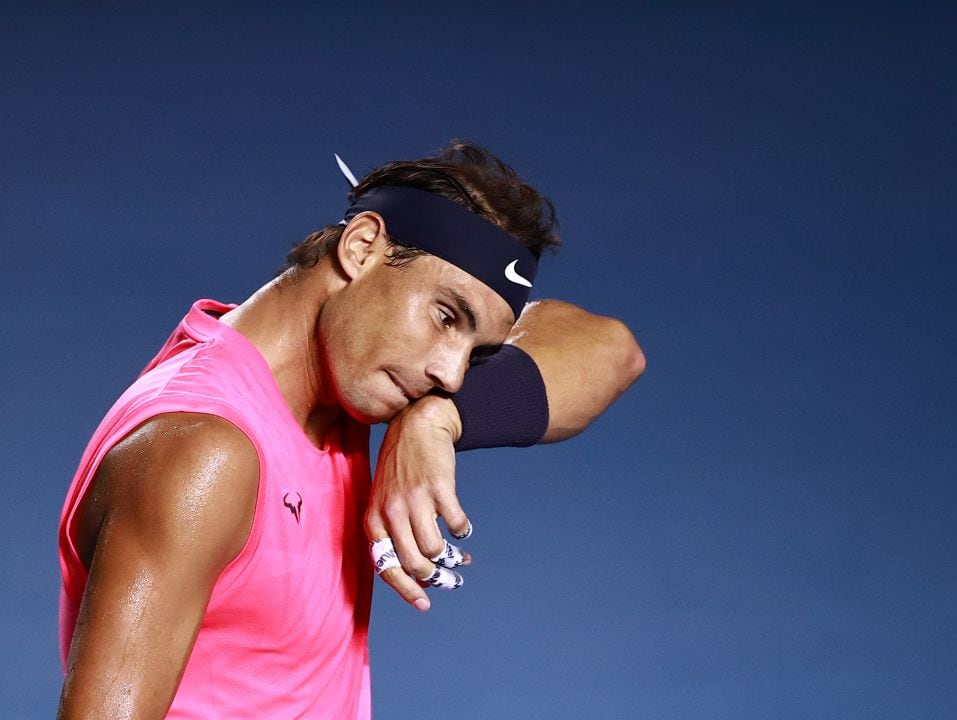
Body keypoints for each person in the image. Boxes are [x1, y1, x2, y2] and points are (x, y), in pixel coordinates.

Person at [55, 141, 644, 719]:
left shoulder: (338, 392)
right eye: (446, 316)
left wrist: (439, 419)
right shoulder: (205, 450)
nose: (451, 371)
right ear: (362, 247)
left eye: (477, 349)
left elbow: (614, 352)